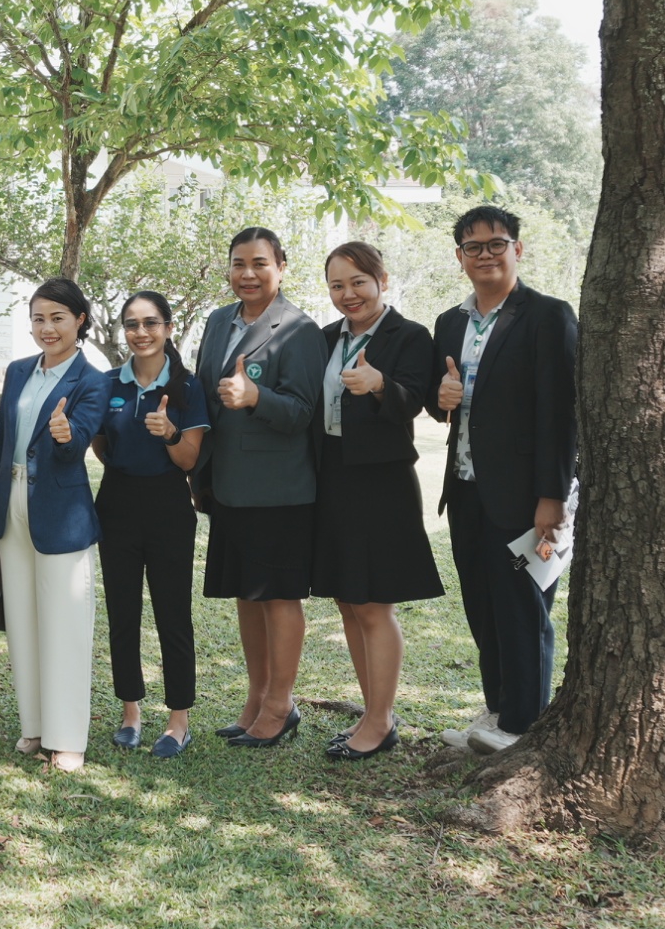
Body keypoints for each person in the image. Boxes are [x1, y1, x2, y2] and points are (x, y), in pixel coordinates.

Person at [427, 206, 578, 756]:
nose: (486, 254)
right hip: (465, 488)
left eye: (497, 243)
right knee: (483, 606)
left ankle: (521, 725)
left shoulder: (548, 316)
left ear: (518, 249)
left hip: (525, 496)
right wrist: (440, 399)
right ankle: (495, 710)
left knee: (521, 609)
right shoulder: (450, 322)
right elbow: (439, 401)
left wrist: (551, 497)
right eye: (474, 247)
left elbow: (560, 413)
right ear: (460, 257)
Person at [193, 226, 325, 748]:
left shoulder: (299, 330)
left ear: (281, 267)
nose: (247, 274)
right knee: (246, 596)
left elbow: (303, 412)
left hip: (279, 490)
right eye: (238, 264)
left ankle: (280, 705)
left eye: (259, 263)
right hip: (226, 484)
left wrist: (255, 398)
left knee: (277, 597)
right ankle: (256, 697)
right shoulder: (217, 321)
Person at [311, 241, 444, 761]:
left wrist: (380, 383)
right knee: (348, 599)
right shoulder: (326, 338)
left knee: (373, 604)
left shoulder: (409, 336)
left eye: (358, 282)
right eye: (337, 285)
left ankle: (381, 719)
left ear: (381, 281)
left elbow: (418, 400)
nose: (348, 294)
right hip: (332, 477)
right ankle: (372, 714)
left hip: (381, 482)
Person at [0, 280, 111, 772]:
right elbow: (1, 443)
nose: (47, 328)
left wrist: (65, 433)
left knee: (65, 625)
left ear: (80, 320)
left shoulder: (92, 380)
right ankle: (34, 726)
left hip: (61, 513)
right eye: (38, 318)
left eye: (58, 318)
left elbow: (77, 444)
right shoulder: (18, 371)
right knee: (23, 623)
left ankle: (67, 737)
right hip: (11, 503)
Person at [91, 290, 210, 759]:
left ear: (168, 328)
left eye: (151, 323)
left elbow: (189, 460)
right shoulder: (107, 384)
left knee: (172, 614)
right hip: (116, 503)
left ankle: (179, 721)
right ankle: (130, 714)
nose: (141, 333)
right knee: (122, 613)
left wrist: (170, 434)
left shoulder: (187, 386)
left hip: (168, 505)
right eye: (132, 324)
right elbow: (101, 445)